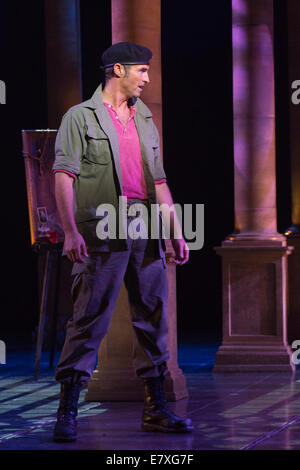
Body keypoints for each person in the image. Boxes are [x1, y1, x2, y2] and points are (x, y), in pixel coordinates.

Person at [52, 42, 193, 442]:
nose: (147, 79)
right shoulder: (80, 118)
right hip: (100, 227)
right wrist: (71, 231)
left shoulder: (144, 118)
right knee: (89, 317)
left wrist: (175, 229)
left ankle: (156, 408)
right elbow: (64, 175)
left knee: (152, 315)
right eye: (142, 71)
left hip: (144, 225)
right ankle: (67, 410)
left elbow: (159, 181)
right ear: (118, 70)